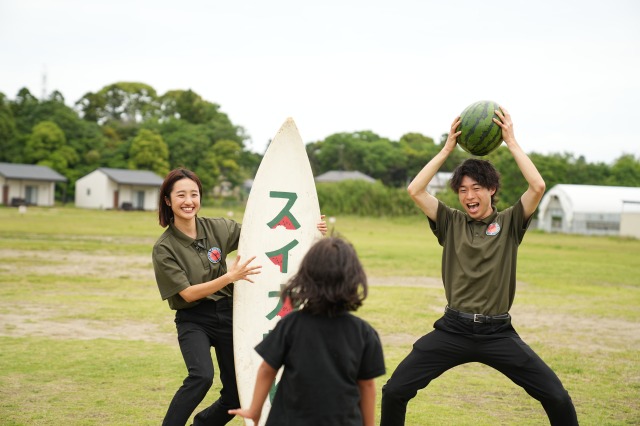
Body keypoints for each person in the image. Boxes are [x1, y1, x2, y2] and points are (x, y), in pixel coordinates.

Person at [380, 107, 579, 425]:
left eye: (475, 188)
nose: (468, 195)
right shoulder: (450, 221)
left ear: (491, 190)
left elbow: (537, 186)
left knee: (556, 396)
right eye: (462, 190)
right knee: (394, 391)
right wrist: (447, 149)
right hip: (453, 330)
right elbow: (415, 190)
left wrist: (511, 142)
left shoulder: (511, 222)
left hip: (497, 333)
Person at [152, 168, 327, 426]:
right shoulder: (164, 248)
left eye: (194, 194)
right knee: (201, 376)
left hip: (229, 315)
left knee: (236, 397)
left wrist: (309, 228)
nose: (188, 201)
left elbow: (263, 235)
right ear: (168, 200)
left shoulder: (217, 227)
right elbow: (187, 294)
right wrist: (229, 277)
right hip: (194, 319)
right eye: (180, 195)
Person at [228, 237, 386, 426]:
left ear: (307, 276)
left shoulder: (291, 325)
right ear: (353, 279)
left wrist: (254, 410)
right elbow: (367, 386)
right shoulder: (364, 333)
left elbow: (267, 369)